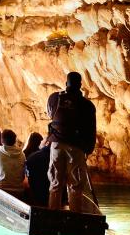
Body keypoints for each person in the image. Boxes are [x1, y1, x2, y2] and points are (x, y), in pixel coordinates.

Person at [46, 71, 96, 213]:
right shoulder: (87, 105)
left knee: (55, 182)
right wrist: (88, 149)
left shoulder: (55, 98)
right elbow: (91, 129)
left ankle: (52, 215)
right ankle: (75, 218)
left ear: (66, 83)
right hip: (76, 146)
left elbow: (51, 115)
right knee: (75, 185)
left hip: (56, 144)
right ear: (80, 85)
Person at [25, 138, 51, 206]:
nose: (41, 141)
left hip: (34, 194)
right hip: (49, 195)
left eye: (43, 140)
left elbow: (27, 176)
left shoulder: (32, 156)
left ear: (47, 143)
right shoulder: (57, 159)